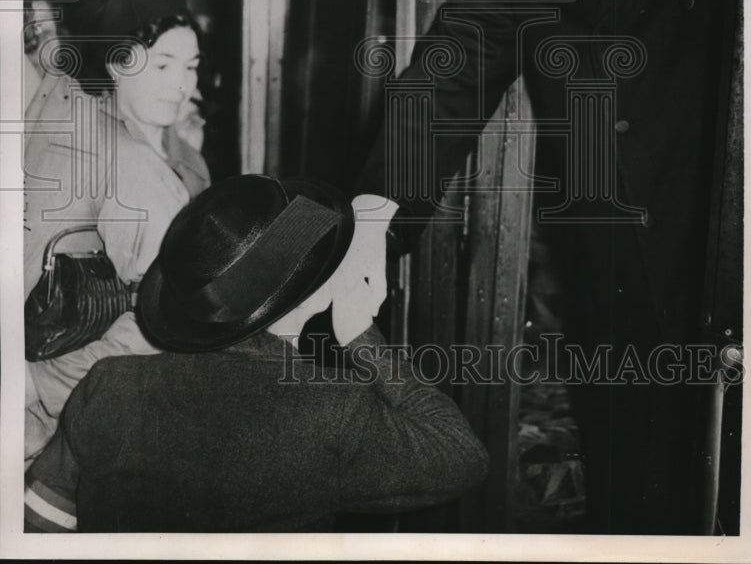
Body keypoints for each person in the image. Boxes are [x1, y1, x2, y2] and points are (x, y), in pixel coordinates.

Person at [351, 0, 740, 534]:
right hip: (614, 294)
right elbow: (444, 81)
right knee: (640, 511)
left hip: (737, 273)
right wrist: (364, 243)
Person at [24, 173, 489, 533]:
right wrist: (362, 336)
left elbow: (40, 522)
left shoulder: (110, 385)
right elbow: (462, 455)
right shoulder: (332, 407)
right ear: (313, 296)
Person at [25, 0, 210, 462]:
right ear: (117, 64)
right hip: (76, 402)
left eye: (190, 66)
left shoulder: (184, 154)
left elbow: (169, 318)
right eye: (164, 65)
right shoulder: (96, 141)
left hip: (115, 402)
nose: (181, 84)